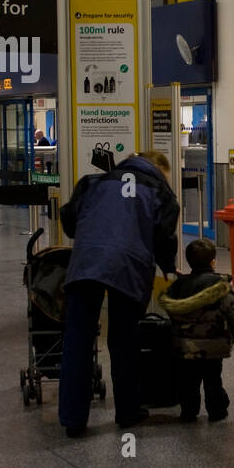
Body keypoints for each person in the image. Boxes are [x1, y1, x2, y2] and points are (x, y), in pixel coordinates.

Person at [58, 151, 180, 437]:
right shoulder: (160, 190)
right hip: (129, 265)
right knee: (124, 340)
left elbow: (68, 219)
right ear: (159, 168)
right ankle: (128, 412)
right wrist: (168, 267)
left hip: (86, 262)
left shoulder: (93, 182)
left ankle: (72, 419)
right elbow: (164, 236)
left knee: (77, 339)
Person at [158, 238, 234, 423]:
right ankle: (217, 411)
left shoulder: (178, 287)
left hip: (185, 347)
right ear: (213, 262)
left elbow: (172, 311)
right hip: (213, 347)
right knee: (213, 380)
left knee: (187, 382)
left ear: (189, 262)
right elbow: (233, 312)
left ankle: (188, 412)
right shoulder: (220, 287)